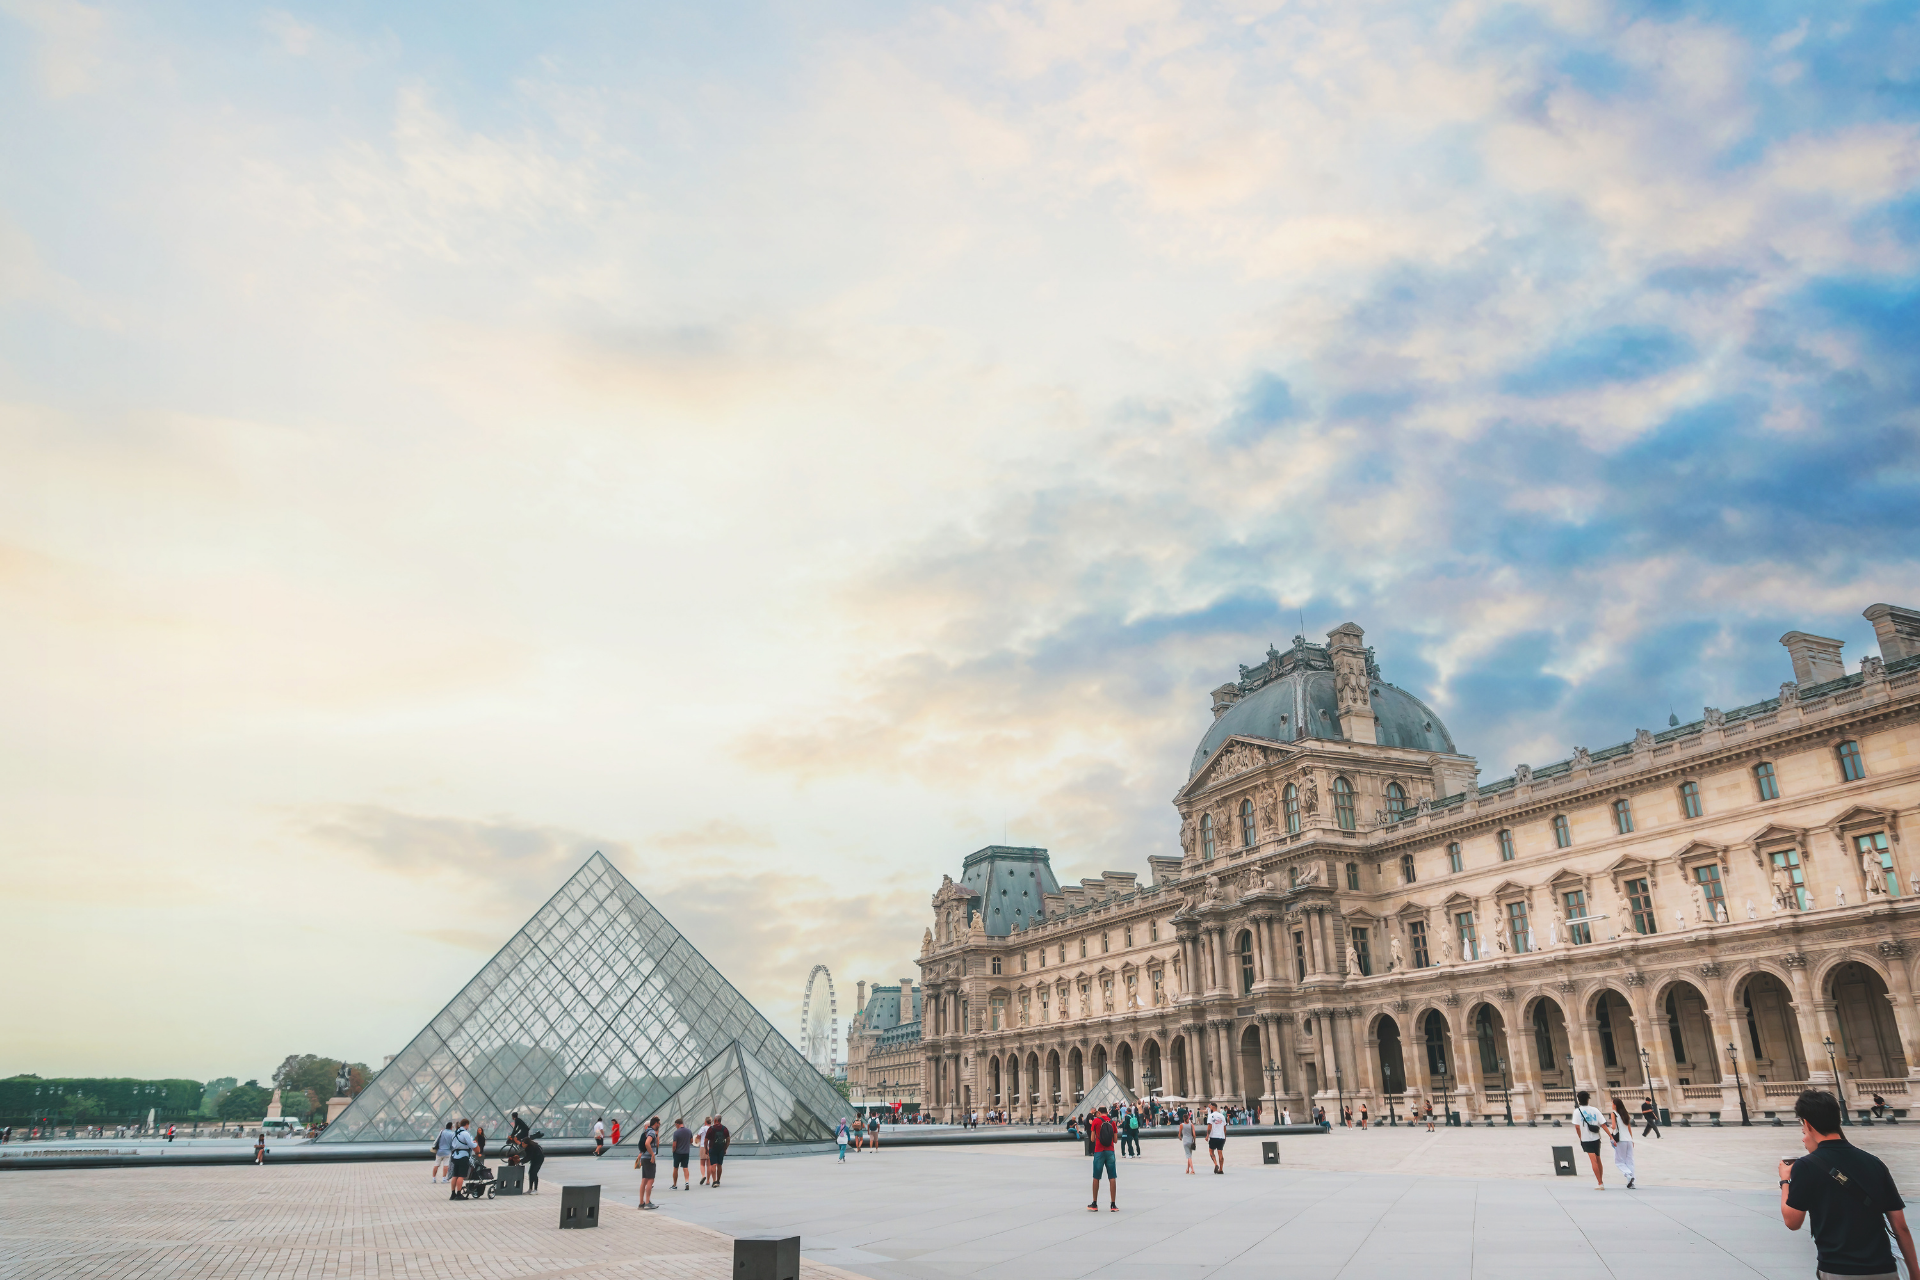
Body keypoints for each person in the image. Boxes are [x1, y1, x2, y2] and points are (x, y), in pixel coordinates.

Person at [1780, 1088, 1916, 1280]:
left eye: (1803, 1130)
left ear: (1808, 1124)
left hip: (1839, 1269)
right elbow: (1900, 1227)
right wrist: (1915, 1274)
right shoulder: (1874, 1162)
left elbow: (1792, 1221)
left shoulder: (1805, 1166)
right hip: (1884, 1269)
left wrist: (1785, 1180)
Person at [1573, 1091, 1607, 1190]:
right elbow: (1603, 1124)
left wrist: (1580, 1137)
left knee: (1593, 1161)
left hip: (1586, 1139)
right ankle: (1601, 1181)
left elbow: (1577, 1127)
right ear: (1588, 1099)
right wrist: (1610, 1136)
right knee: (1598, 1159)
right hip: (1596, 1137)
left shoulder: (1577, 1111)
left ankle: (1600, 1183)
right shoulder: (1595, 1110)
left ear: (1578, 1100)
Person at [1088, 1106, 1119, 1212]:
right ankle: (1113, 1205)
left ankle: (1094, 1204)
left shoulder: (1096, 1121)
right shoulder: (1112, 1122)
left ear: (1100, 1113)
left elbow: (1092, 1139)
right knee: (1112, 1177)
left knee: (1096, 1177)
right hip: (1110, 1151)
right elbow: (1115, 1140)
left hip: (1099, 1151)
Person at [1608, 1096, 1637, 1190]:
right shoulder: (1625, 1113)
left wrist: (1607, 1125)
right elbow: (1629, 1128)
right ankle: (1631, 1182)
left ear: (1615, 1105)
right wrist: (1632, 1140)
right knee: (1629, 1160)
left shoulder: (1613, 1114)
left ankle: (1628, 1175)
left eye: (1612, 1103)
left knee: (1619, 1161)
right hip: (1628, 1139)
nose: (1611, 1105)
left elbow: (1613, 1126)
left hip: (1620, 1140)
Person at [633, 1116, 659, 1209]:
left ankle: (641, 1202)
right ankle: (647, 1202)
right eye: (659, 1123)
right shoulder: (651, 1132)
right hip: (649, 1158)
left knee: (644, 1180)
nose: (659, 1125)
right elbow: (647, 1143)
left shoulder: (646, 1132)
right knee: (650, 1179)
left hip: (644, 1157)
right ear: (655, 1124)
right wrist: (652, 1154)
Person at [449, 1120, 473, 1199]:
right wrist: (475, 1144)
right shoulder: (465, 1133)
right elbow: (471, 1144)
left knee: (455, 1175)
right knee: (461, 1176)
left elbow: (452, 1145)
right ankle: (459, 1194)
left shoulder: (454, 1133)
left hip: (455, 1155)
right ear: (467, 1124)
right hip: (463, 1155)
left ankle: (453, 1194)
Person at [670, 1118, 693, 1189]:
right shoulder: (689, 1131)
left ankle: (674, 1184)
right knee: (685, 1167)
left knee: (675, 1168)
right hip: (686, 1152)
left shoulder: (676, 1133)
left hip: (677, 1153)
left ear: (677, 1124)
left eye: (675, 1125)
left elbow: (674, 1145)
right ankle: (687, 1182)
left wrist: (673, 1150)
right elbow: (691, 1141)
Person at [707, 1115, 731, 1186]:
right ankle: (718, 1180)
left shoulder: (711, 1129)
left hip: (712, 1148)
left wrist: (706, 1148)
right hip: (721, 1149)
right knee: (719, 1165)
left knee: (713, 1164)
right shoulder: (724, 1129)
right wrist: (725, 1148)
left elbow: (706, 1140)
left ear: (715, 1120)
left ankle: (714, 1181)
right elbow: (728, 1140)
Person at [1207, 1105, 1227, 1174]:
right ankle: (1221, 1169)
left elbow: (1209, 1127)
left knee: (1211, 1151)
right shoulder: (1222, 1116)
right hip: (1221, 1137)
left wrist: (1207, 1136)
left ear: (1212, 1107)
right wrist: (1225, 1136)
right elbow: (1224, 1127)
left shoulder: (1210, 1116)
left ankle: (1215, 1164)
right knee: (1220, 1153)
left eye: (1210, 1106)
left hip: (1213, 1136)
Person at [696, 1117, 712, 1184]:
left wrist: (697, 1138)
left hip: (703, 1146)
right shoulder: (712, 1128)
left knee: (702, 1164)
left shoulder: (703, 1128)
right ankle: (708, 1180)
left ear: (705, 1121)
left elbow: (698, 1136)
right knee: (709, 1165)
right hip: (710, 1146)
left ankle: (703, 1176)